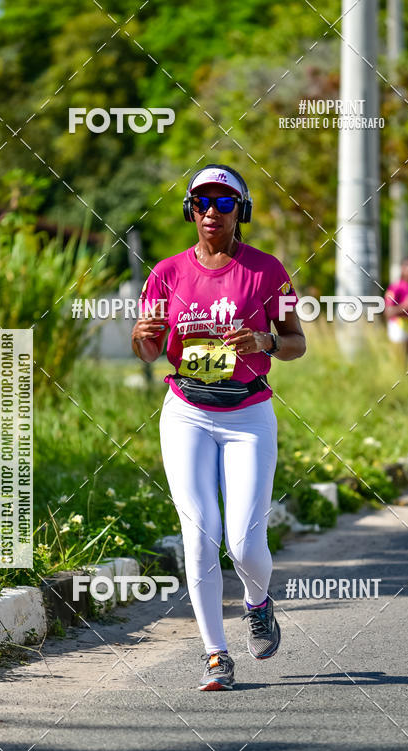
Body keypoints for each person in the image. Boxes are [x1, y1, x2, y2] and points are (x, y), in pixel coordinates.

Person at [131, 164, 305, 690]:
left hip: (249, 414)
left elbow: (296, 342)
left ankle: (257, 602)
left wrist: (266, 341)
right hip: (187, 412)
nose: (212, 211)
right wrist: (140, 337)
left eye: (224, 203)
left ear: (240, 211)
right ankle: (215, 654)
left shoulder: (268, 271)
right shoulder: (165, 273)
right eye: (202, 202)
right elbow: (148, 351)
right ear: (190, 210)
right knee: (200, 531)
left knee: (244, 543)